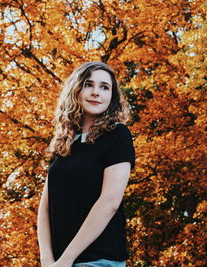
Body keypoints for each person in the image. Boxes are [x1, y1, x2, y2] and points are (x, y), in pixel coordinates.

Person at [37, 61, 135, 267]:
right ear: (76, 90)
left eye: (104, 87)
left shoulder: (117, 135)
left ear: (112, 97)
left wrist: (67, 259)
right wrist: (47, 259)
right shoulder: (63, 144)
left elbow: (109, 202)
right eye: (89, 85)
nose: (96, 92)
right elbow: (45, 208)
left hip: (99, 260)